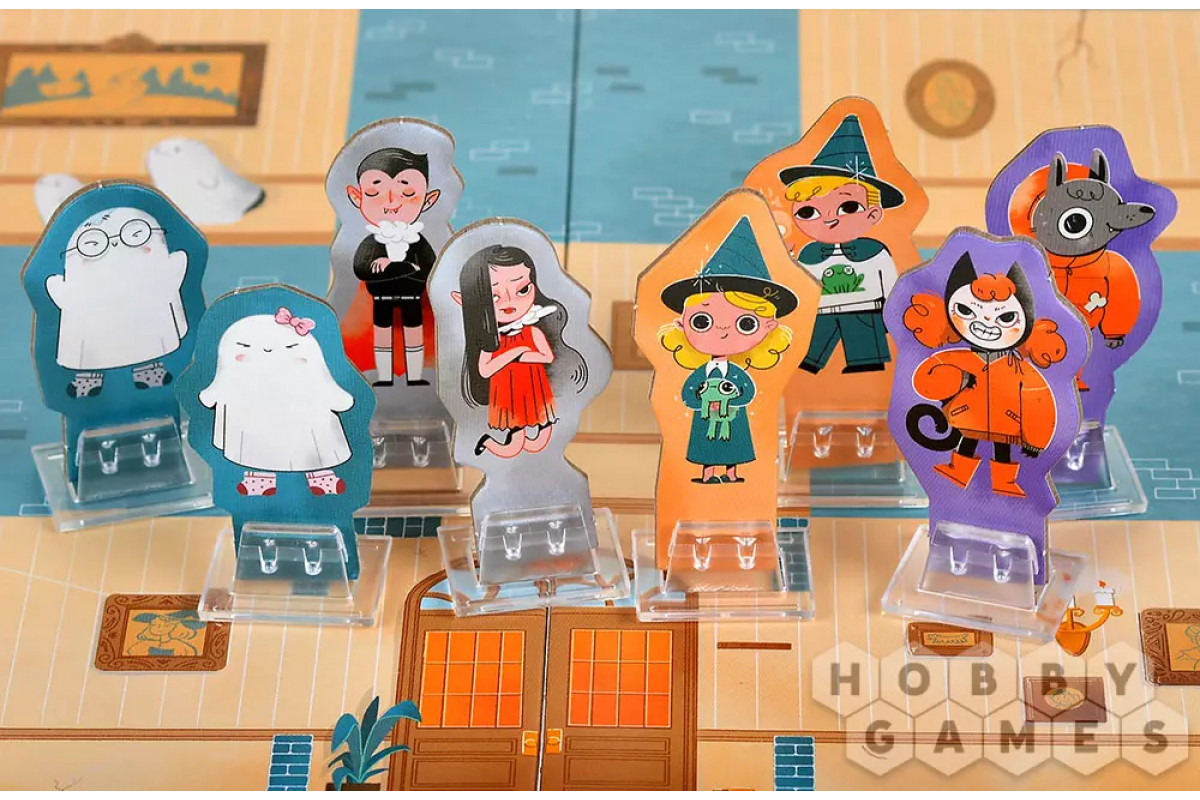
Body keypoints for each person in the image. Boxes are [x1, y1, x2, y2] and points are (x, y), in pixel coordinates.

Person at [903, 252, 1070, 498]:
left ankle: (1004, 482)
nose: (987, 322)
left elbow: (1040, 403)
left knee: (1002, 450)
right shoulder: (957, 358)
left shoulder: (1020, 369)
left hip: (1007, 423)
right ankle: (958, 472)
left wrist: (1036, 440)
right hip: (966, 419)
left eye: (1006, 317)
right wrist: (956, 379)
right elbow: (924, 379)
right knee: (967, 443)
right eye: (967, 311)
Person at [658, 217, 797, 484]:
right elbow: (688, 393)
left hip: (733, 416)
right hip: (705, 417)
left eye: (746, 323)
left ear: (769, 327)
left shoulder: (737, 373)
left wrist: (732, 401)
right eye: (702, 321)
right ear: (681, 323)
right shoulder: (701, 372)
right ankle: (708, 475)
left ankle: (731, 474)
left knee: (736, 447)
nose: (722, 330)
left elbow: (749, 391)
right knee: (706, 448)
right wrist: (701, 402)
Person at [779, 114, 905, 374]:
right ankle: (808, 367)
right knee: (809, 353)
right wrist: (785, 262)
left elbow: (890, 282)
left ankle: (864, 363)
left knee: (866, 354)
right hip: (821, 309)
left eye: (848, 207)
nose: (829, 219)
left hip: (864, 307)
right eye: (809, 212)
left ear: (873, 214)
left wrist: (891, 313)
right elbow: (801, 282)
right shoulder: (809, 253)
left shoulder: (875, 252)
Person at [199, 308, 355, 497]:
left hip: (303, 421)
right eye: (246, 347)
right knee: (258, 452)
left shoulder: (309, 377)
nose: (268, 352)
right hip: (254, 422)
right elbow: (220, 387)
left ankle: (320, 477)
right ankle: (260, 479)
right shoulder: (238, 378)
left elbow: (330, 390)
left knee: (313, 451)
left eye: (289, 347)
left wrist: (338, 398)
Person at [452, 245, 588, 459]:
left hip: (534, 392)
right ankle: (486, 442)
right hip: (508, 396)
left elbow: (546, 356)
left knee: (539, 442)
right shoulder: (491, 339)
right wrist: (515, 353)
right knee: (514, 447)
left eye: (522, 290)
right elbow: (485, 370)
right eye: (494, 295)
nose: (509, 302)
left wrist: (522, 354)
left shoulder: (532, 331)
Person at [46, 207, 189, 397]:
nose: (115, 244)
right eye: (93, 244)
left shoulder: (153, 268)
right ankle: (89, 378)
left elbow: (170, 288)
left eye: (135, 235)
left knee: (147, 343)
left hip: (145, 320)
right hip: (95, 330)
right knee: (92, 352)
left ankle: (148, 371)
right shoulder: (82, 280)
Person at [346, 148, 441, 387]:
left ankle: (415, 376)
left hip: (413, 297)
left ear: (429, 199)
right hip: (380, 298)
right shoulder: (371, 242)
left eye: (408, 193)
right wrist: (407, 268)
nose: (392, 202)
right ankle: (384, 376)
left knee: (414, 334)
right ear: (357, 198)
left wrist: (397, 266)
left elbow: (430, 269)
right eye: (373, 193)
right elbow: (360, 268)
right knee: (382, 335)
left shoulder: (418, 240)